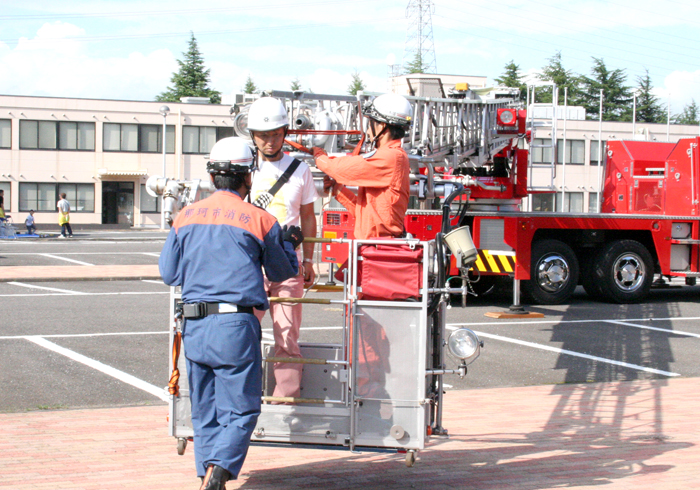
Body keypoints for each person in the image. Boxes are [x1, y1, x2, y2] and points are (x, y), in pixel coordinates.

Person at [159, 137, 302, 489]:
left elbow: (169, 274)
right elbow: (283, 272)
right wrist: (289, 242)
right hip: (235, 325)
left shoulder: (184, 216)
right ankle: (220, 471)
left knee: (204, 409)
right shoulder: (261, 219)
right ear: (248, 177)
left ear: (211, 176)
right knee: (242, 408)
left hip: (194, 324)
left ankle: (208, 476)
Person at [246, 96, 319, 401]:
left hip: (289, 262)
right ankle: (242, 390)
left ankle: (285, 396)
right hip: (249, 261)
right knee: (242, 326)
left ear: (286, 132)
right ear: (252, 135)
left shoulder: (300, 170)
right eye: (263, 135)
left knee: (286, 332)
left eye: (276, 134)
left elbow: (307, 216)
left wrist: (311, 260)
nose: (270, 141)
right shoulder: (244, 168)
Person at [311, 93, 412, 240]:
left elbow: (339, 169)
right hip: (375, 248)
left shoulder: (390, 157)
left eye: (370, 123)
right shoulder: (391, 156)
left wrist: (320, 158)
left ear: (382, 126)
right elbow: (366, 214)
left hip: (380, 250)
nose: (369, 132)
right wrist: (337, 190)